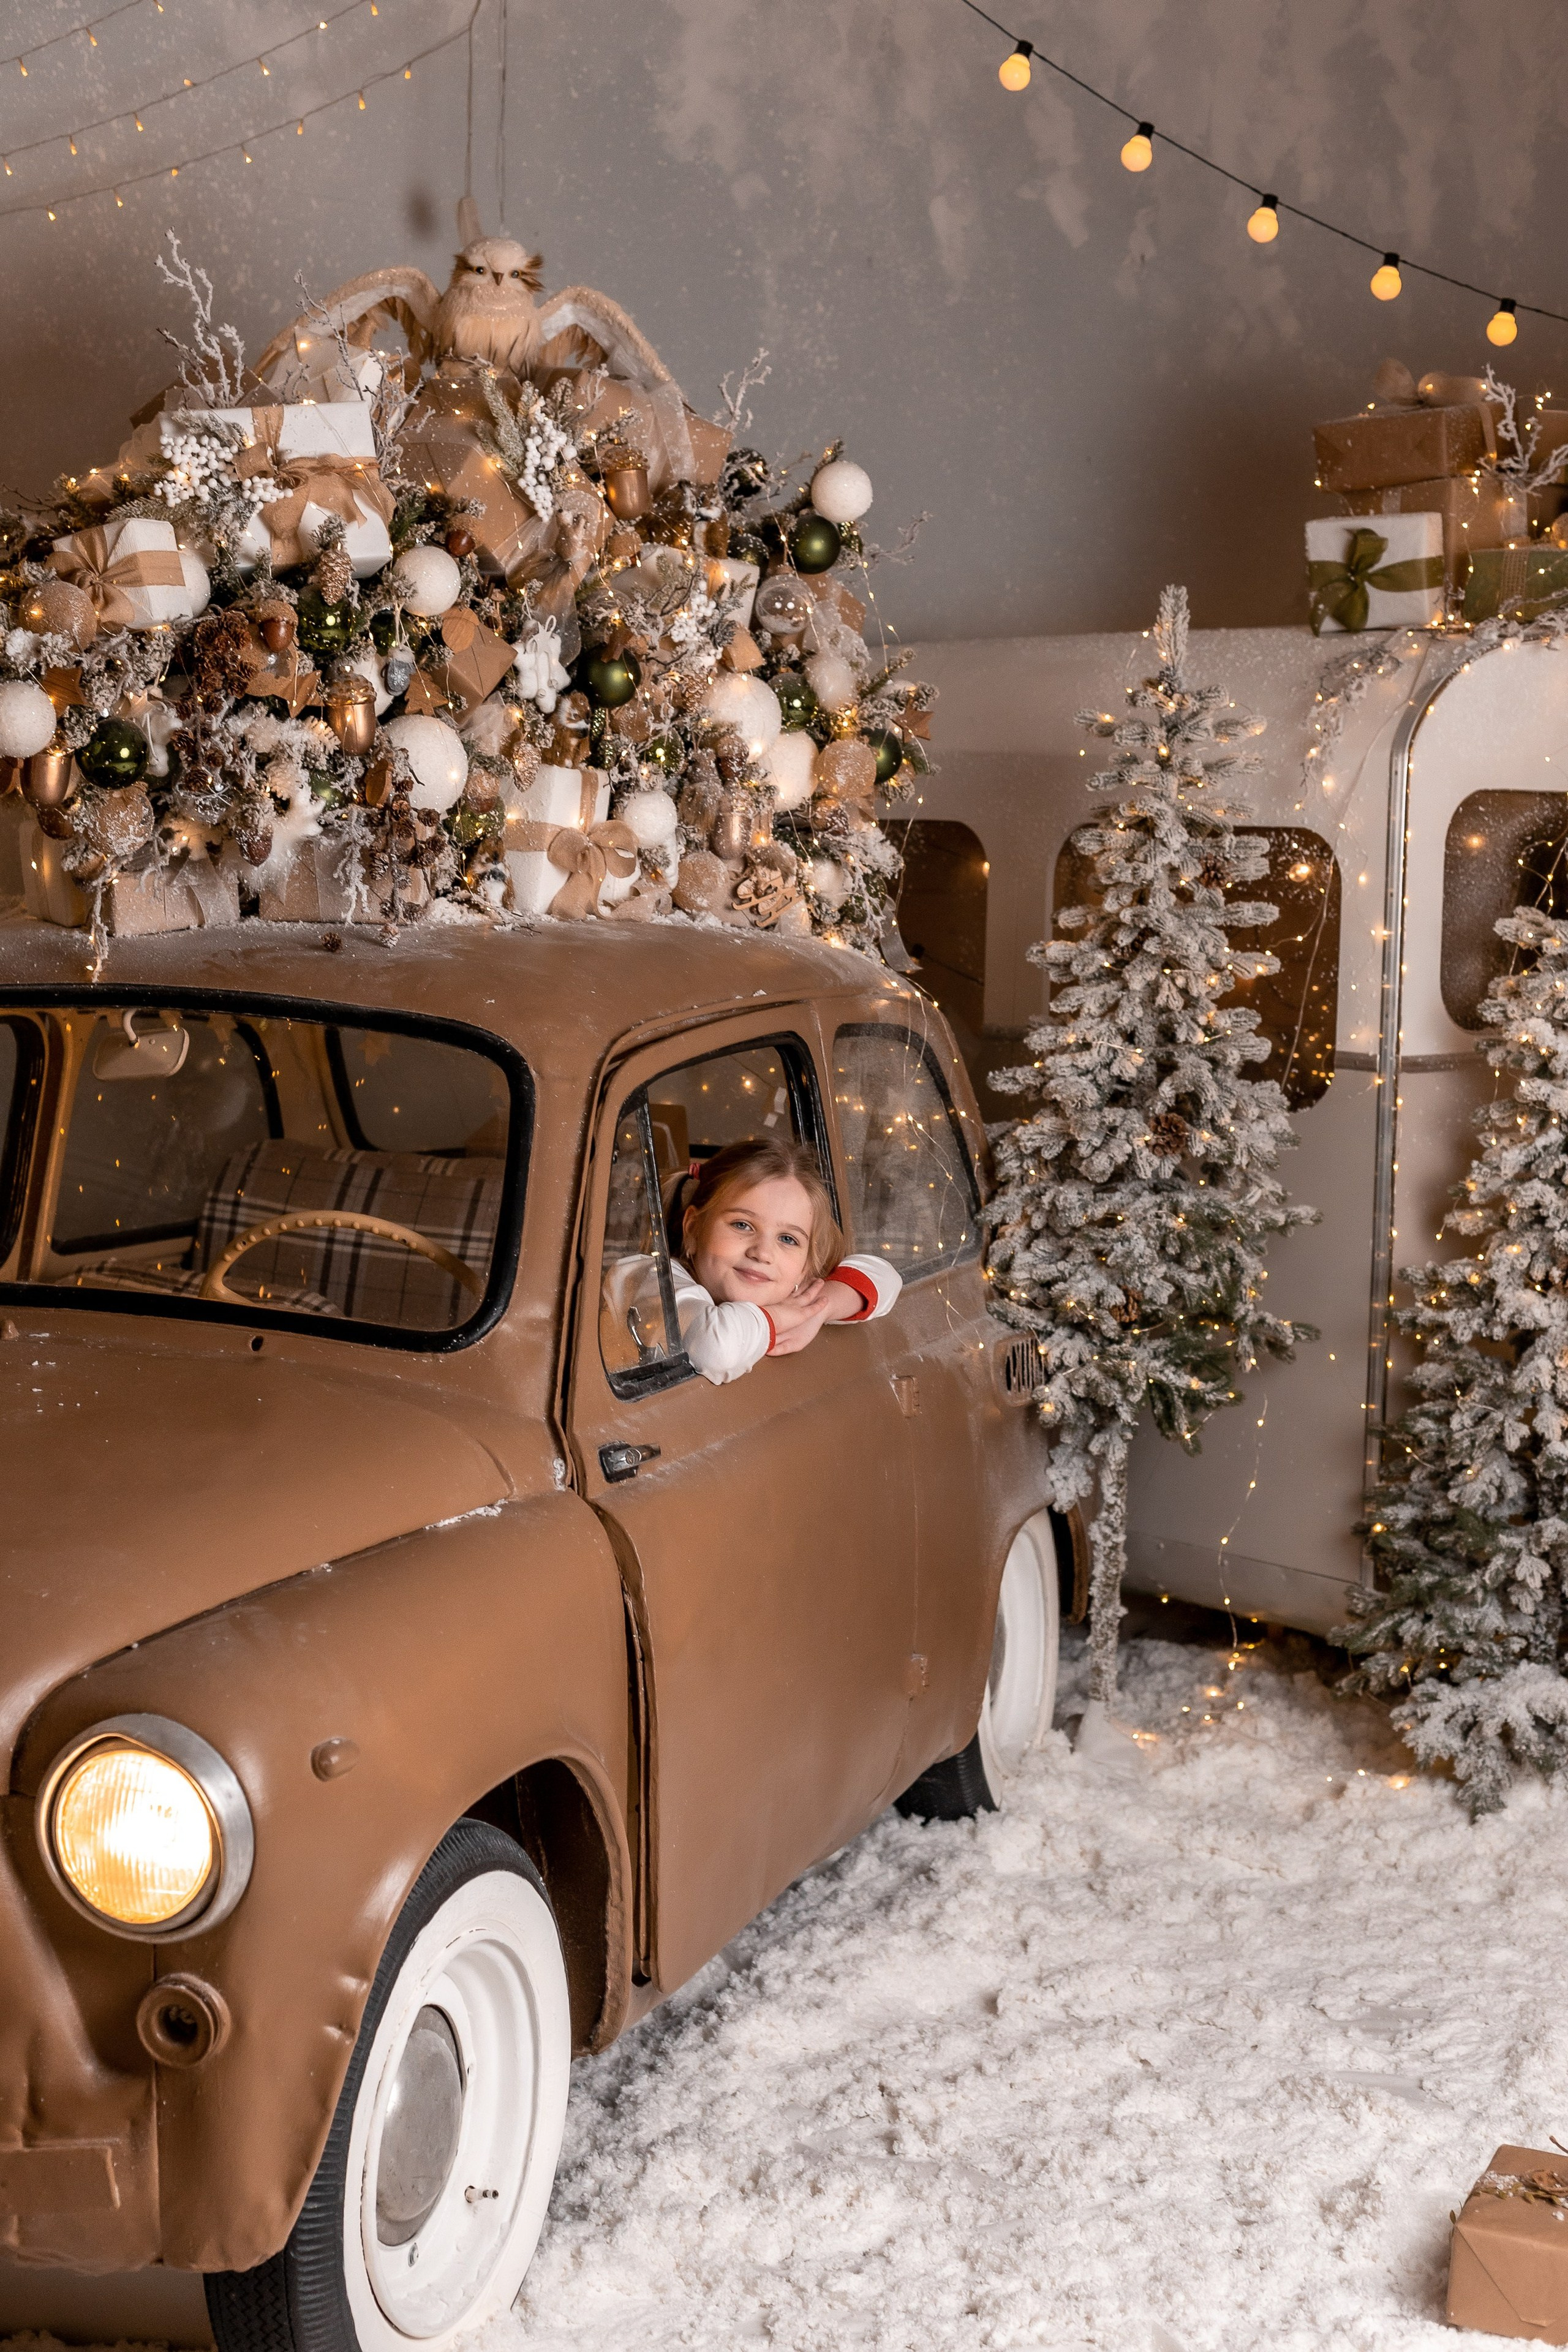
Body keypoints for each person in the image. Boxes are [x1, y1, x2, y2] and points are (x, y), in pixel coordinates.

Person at [671, 1136, 900, 1385]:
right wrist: (781, 1318)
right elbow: (715, 1348)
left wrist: (818, 1310)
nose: (763, 1253)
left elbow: (886, 1278)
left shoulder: (792, 1295)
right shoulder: (657, 1279)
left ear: (805, 1269)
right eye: (742, 1225)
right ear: (693, 1229)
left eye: (788, 1239)